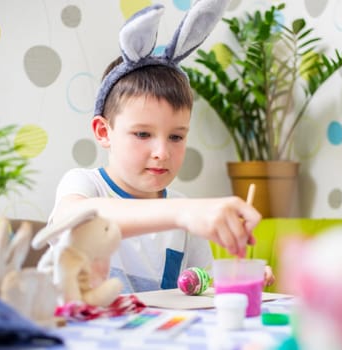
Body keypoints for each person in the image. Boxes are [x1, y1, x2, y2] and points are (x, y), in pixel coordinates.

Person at [48, 59, 275, 292]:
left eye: (176, 137)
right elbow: (72, 220)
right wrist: (183, 213)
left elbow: (201, 285)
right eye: (143, 134)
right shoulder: (83, 184)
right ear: (104, 132)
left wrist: (234, 279)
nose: (162, 153)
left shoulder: (185, 214)